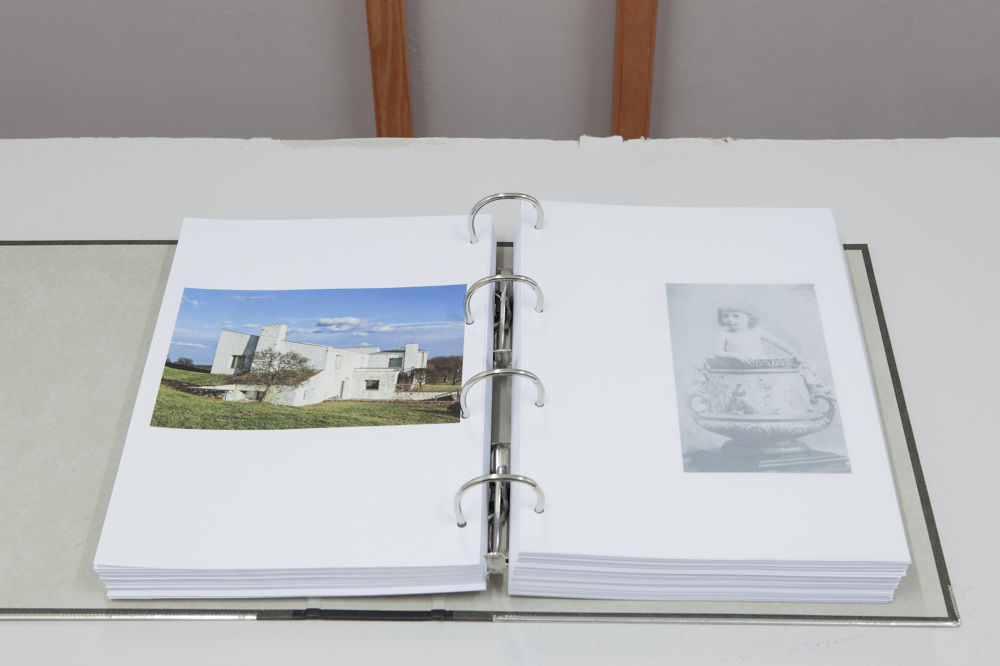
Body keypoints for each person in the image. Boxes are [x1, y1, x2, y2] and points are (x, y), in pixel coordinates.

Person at [713, 301, 800, 364]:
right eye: (726, 316)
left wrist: (796, 354)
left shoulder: (756, 331)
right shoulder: (723, 334)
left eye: (736, 316)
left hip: (760, 367)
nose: (730, 319)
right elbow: (717, 353)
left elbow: (776, 342)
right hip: (738, 369)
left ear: (749, 318)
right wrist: (735, 355)